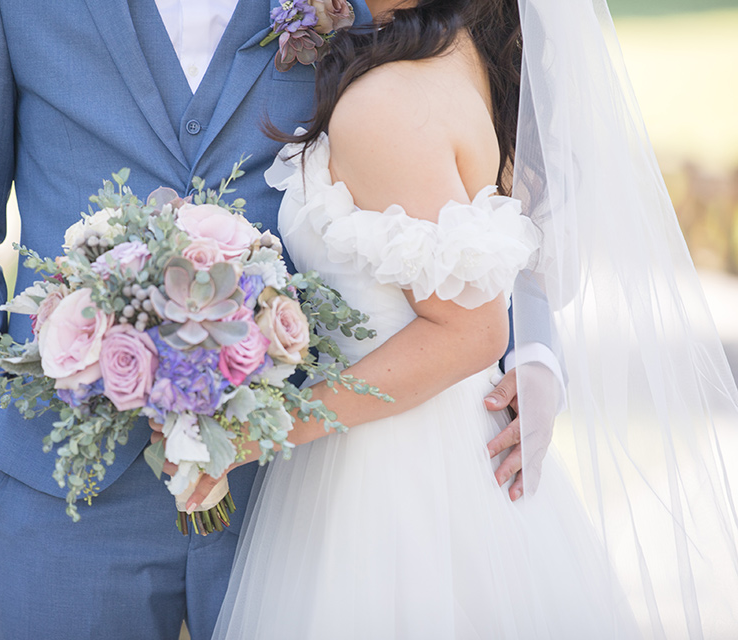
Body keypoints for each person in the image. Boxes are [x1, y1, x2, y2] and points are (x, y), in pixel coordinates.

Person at [0, 0, 560, 637]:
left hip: (296, 487)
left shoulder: (353, 4)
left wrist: (532, 351)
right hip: (66, 483)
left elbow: (486, 158)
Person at [197, 0, 738, 637]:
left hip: (394, 482)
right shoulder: (461, 60)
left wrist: (254, 436)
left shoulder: (389, 100)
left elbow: (471, 332)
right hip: (437, 449)